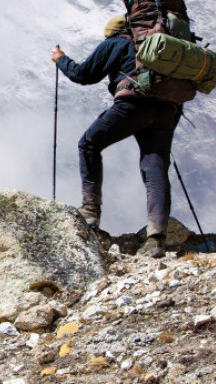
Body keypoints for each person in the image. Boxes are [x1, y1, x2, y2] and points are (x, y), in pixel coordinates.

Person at [50, 15, 182, 258]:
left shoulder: (115, 43)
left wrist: (61, 60)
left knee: (89, 144)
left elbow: (83, 75)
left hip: (132, 105)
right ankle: (156, 240)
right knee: (155, 168)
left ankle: (90, 211)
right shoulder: (159, 46)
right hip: (167, 109)